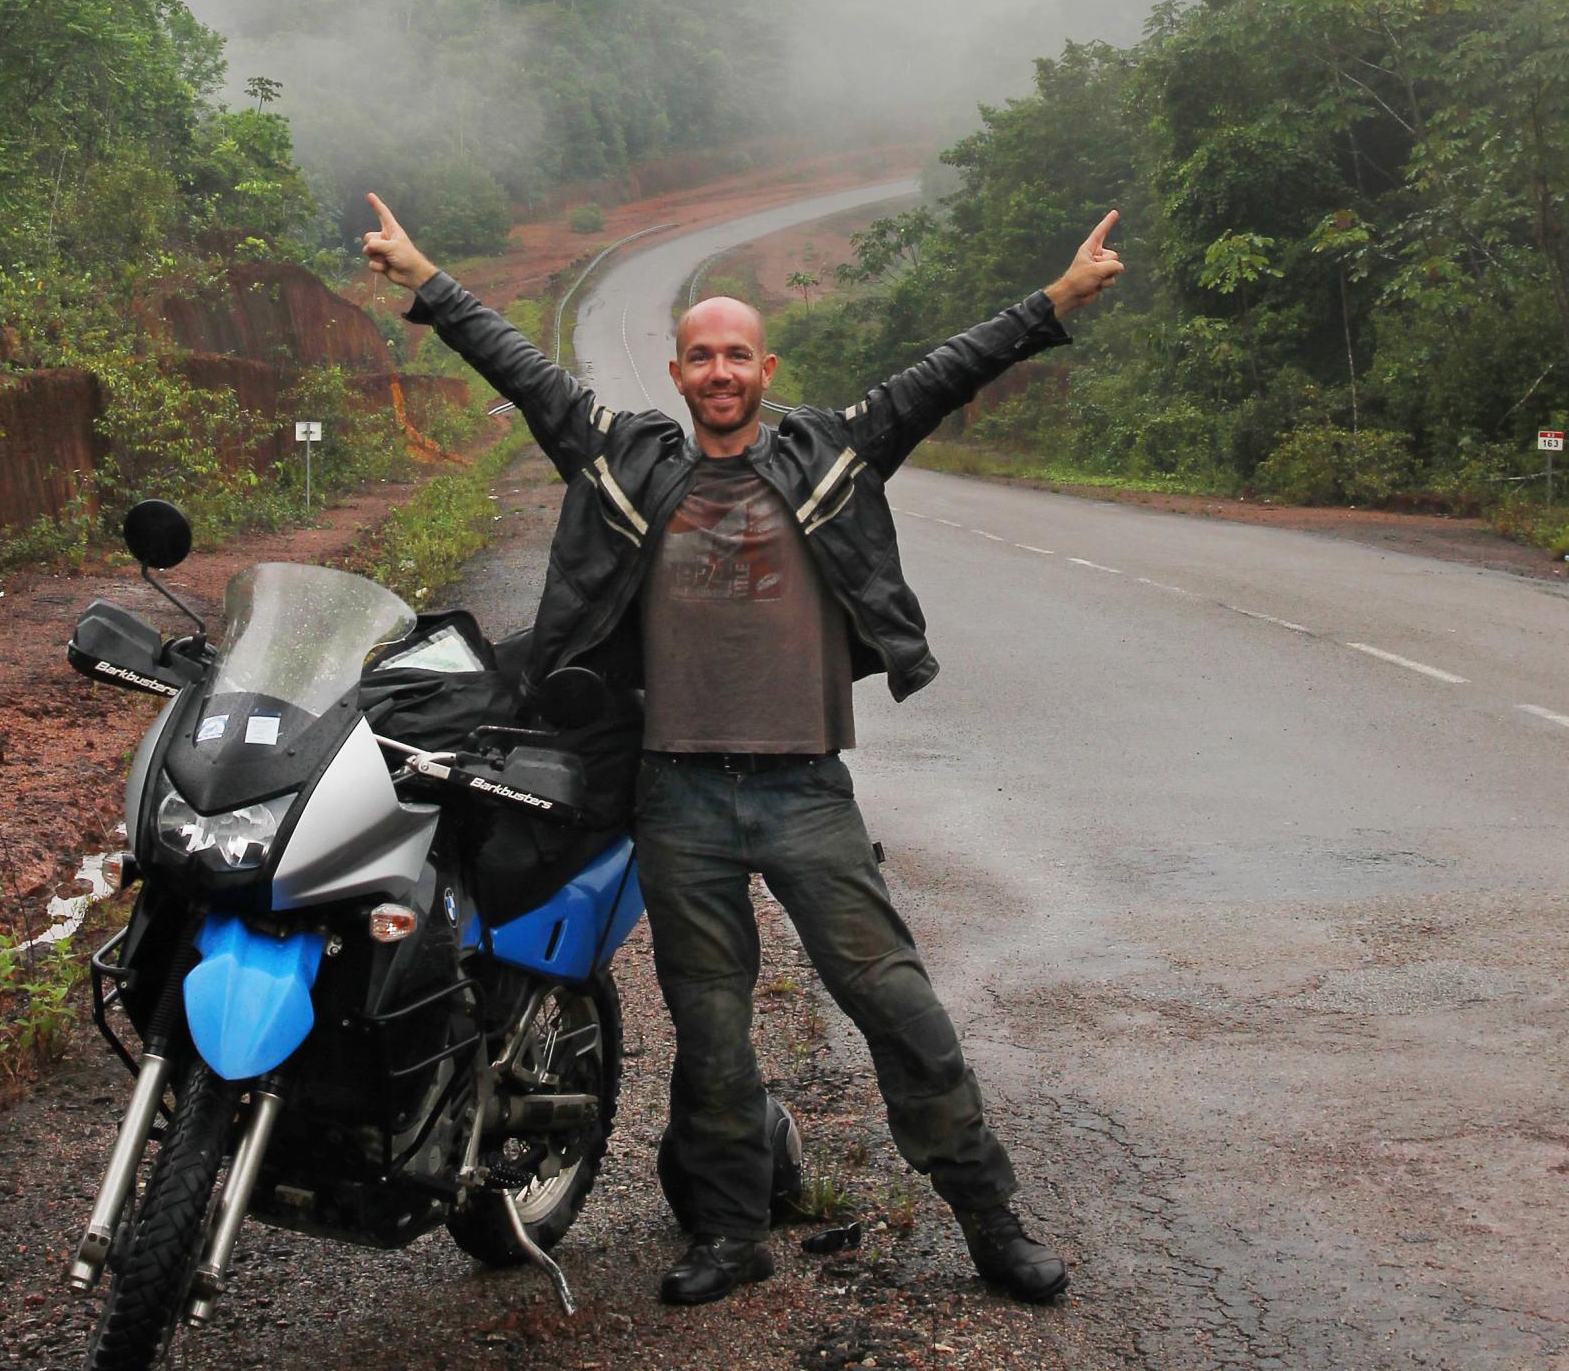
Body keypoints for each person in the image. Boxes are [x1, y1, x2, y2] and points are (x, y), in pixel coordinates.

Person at [362, 190, 1123, 1307]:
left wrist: (1057, 299)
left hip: (805, 789)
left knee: (899, 1005)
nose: (719, 372)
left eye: (738, 356)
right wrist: (426, 278)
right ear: (674, 374)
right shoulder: (629, 463)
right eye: (700, 356)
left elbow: (941, 373)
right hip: (678, 796)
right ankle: (728, 1231)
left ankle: (991, 1217)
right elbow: (524, 371)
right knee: (711, 1032)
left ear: (766, 373)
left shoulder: (830, 454)